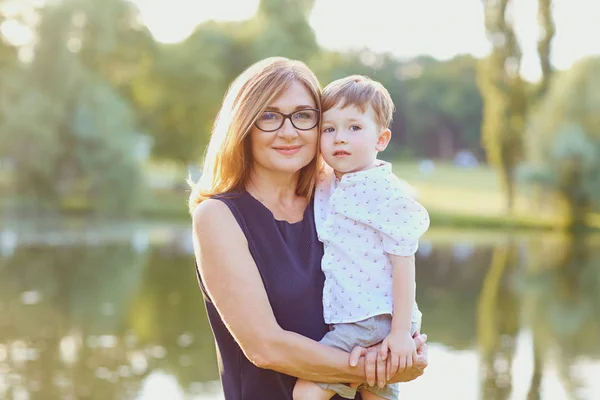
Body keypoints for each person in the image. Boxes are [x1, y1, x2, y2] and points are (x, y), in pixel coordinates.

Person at [189, 57, 429, 400]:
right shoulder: (219, 216)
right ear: (243, 125)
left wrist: (403, 344)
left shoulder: (339, 201)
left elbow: (386, 281)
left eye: (303, 116)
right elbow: (266, 348)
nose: (289, 132)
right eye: (269, 116)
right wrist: (382, 370)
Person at [292, 76, 430, 400]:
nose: (340, 138)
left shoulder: (384, 191)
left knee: (305, 394)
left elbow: (403, 266)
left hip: (369, 320)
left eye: (354, 128)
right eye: (329, 129)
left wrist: (399, 334)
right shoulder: (331, 182)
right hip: (362, 317)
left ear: (381, 139)